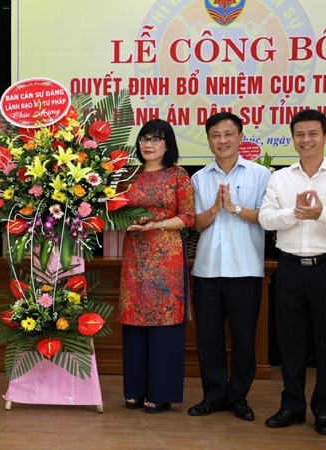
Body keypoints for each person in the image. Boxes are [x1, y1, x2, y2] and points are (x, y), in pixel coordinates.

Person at [259, 109, 326, 435]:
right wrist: (295, 213)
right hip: (290, 268)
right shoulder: (280, 178)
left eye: (312, 134)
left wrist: (323, 214)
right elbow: (265, 218)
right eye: (300, 135)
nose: (306, 140)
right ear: (293, 138)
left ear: (325, 137)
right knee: (290, 341)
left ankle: (324, 411)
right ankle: (291, 406)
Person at [188, 112, 271, 421]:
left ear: (240, 138)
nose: (222, 140)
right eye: (216, 135)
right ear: (209, 141)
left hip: (245, 269)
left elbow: (267, 217)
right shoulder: (199, 178)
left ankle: (238, 397)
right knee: (207, 338)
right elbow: (197, 224)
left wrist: (233, 208)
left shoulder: (260, 175)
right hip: (207, 270)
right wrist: (215, 208)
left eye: (228, 134)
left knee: (244, 338)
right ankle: (213, 396)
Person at [117, 118, 195, 414]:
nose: (148, 144)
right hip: (135, 255)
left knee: (165, 321)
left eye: (155, 139)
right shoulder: (129, 175)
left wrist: (155, 225)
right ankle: (135, 389)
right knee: (134, 318)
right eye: (144, 139)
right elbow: (115, 210)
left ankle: (162, 392)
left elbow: (188, 217)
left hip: (167, 257)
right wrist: (129, 220)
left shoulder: (177, 175)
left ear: (167, 145)